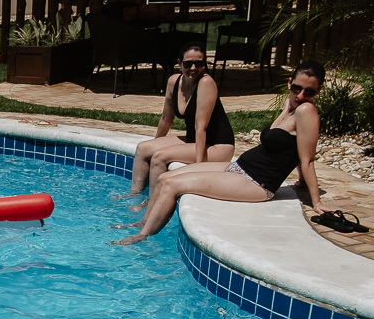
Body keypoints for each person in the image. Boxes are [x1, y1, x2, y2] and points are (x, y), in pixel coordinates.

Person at [111, 60, 333, 246]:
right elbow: (293, 148)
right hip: (242, 168)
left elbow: (307, 159)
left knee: (171, 185)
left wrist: (315, 202)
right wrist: (301, 183)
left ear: (319, 91)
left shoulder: (307, 111)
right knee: (164, 177)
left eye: (309, 91)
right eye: (296, 88)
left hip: (257, 183)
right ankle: (144, 221)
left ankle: (142, 236)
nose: (301, 95)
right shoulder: (291, 107)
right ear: (289, 83)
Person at [115, 42, 235, 207]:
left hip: (218, 145)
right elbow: (166, 119)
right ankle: (134, 194)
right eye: (188, 63)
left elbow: (201, 127)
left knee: (159, 157)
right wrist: (154, 143)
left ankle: (151, 204)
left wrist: (198, 166)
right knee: (143, 148)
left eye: (199, 63)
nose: (193, 68)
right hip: (194, 139)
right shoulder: (174, 81)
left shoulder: (206, 83)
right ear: (179, 63)